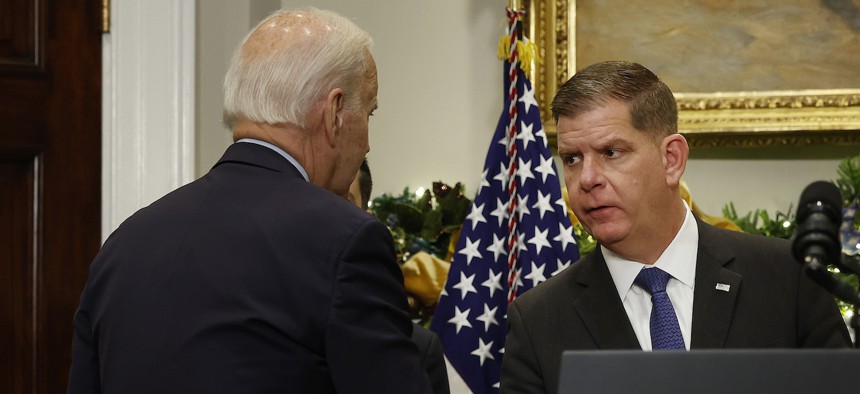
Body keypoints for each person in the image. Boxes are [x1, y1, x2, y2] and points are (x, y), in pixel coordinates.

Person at [68, 8, 431, 394]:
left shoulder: (124, 244)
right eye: (369, 112)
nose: (368, 142)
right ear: (334, 112)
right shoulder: (345, 241)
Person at [500, 61, 852, 394]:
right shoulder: (538, 320)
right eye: (572, 159)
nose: (587, 179)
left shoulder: (787, 278)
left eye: (611, 152)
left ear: (672, 159)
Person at [347, 159, 451, 394]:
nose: (328, 211)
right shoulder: (274, 333)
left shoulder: (417, 349)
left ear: (367, 218)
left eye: (342, 201)